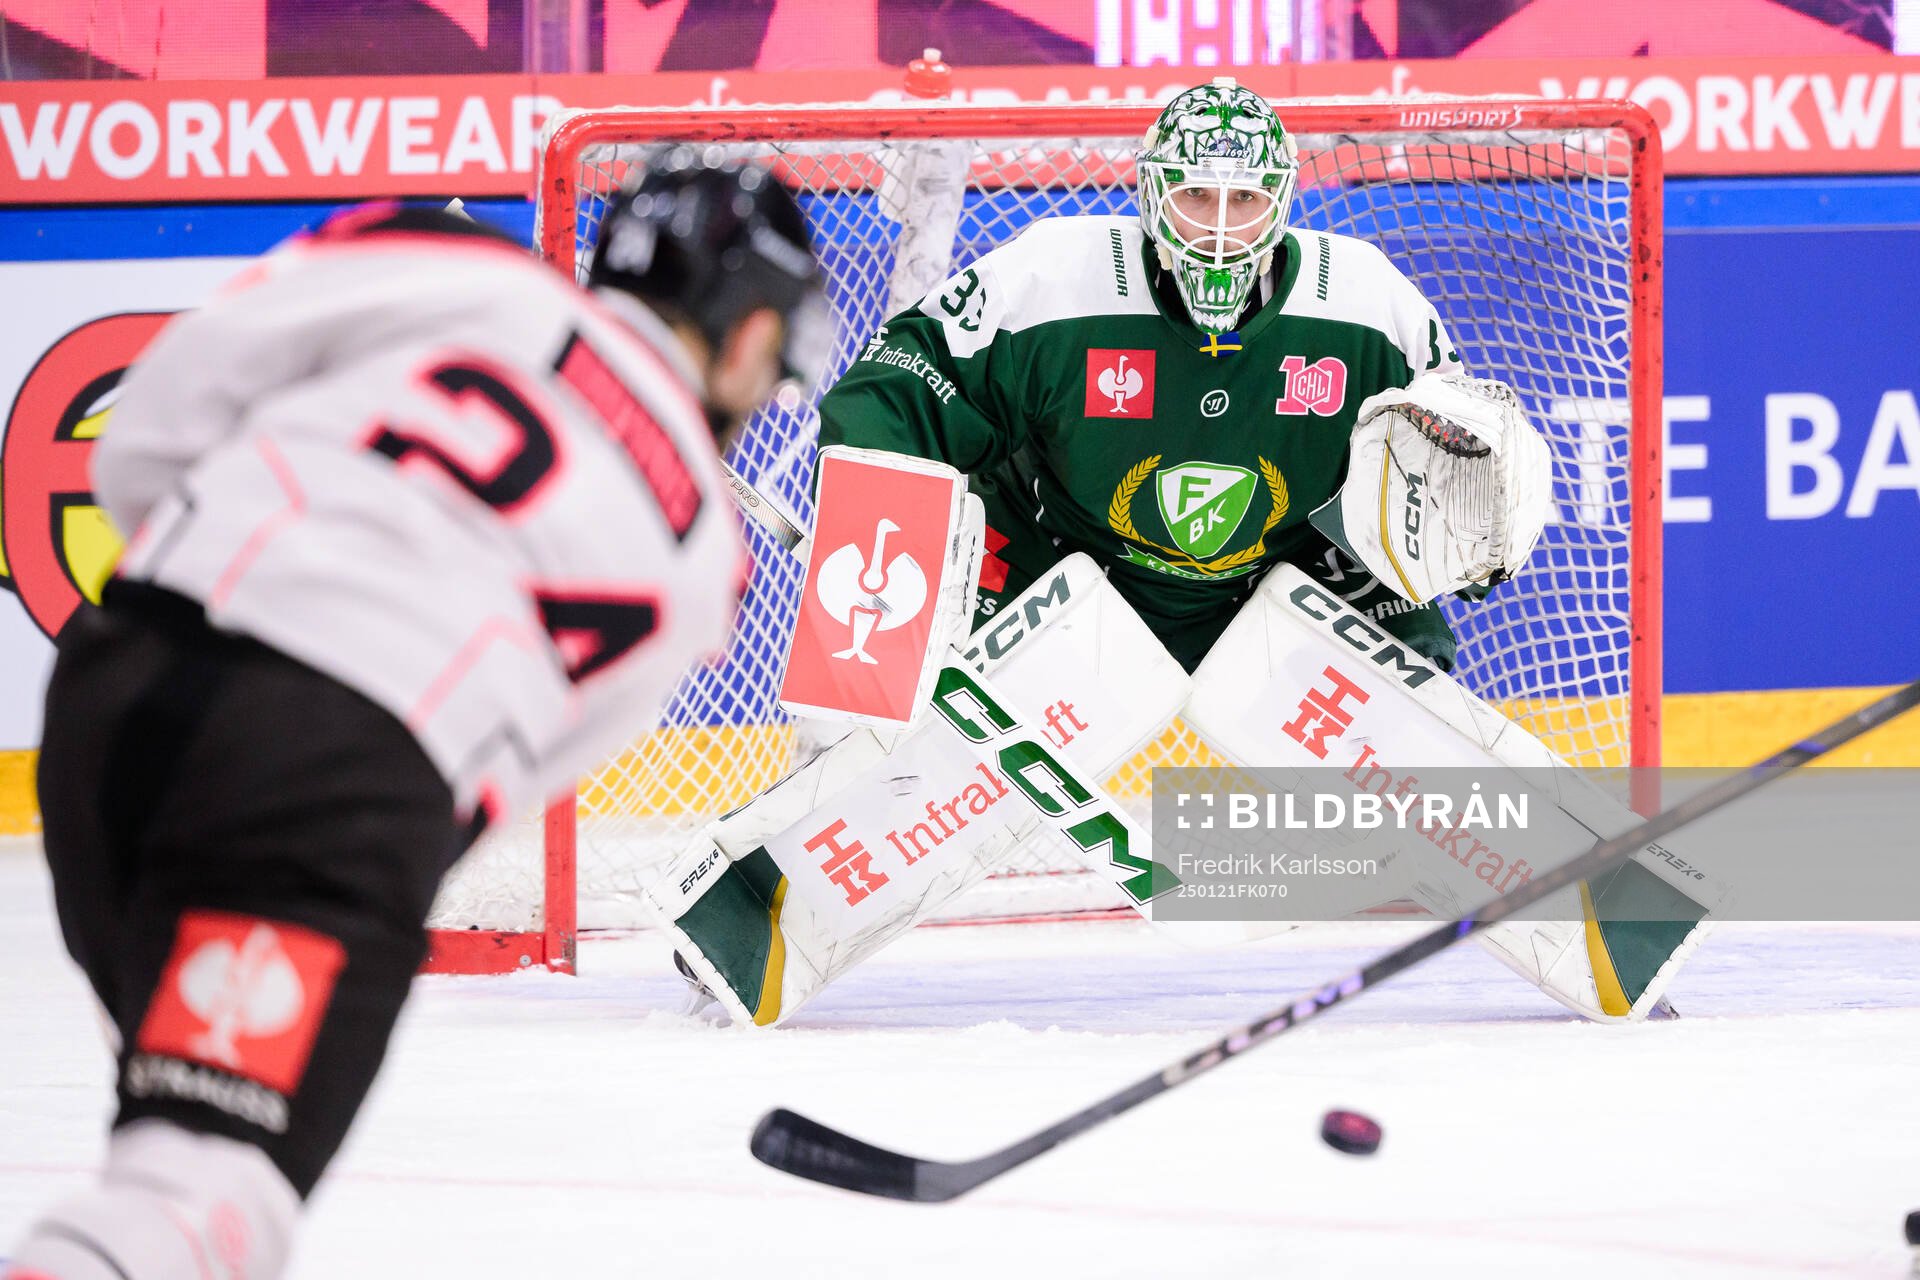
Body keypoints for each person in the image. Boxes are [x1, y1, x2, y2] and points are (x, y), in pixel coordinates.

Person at [6, 156, 826, 1280]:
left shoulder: (465, 267)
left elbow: (151, 425)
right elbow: (498, 775)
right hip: (323, 786)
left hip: (119, 681)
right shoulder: (700, 558)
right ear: (744, 337)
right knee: (199, 1192)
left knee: (156, 1131)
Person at [816, 77, 1481, 672]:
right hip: (1059, 567)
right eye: (1196, 194)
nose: (1220, 231)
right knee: (936, 723)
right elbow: (902, 389)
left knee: (1414, 683)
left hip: (1291, 578)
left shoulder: (1370, 304)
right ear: (1152, 192)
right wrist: (870, 522)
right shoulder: (1051, 277)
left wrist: (1474, 530)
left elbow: (1456, 462)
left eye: (1244, 198)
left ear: (1280, 203)